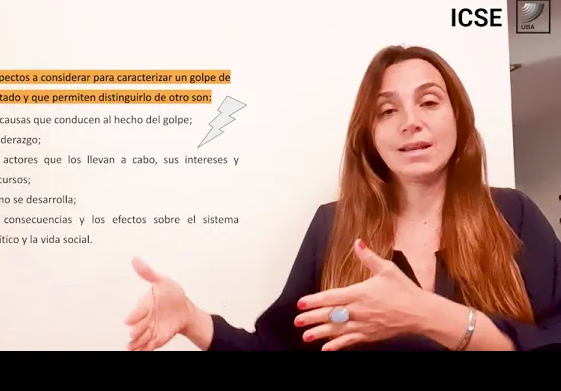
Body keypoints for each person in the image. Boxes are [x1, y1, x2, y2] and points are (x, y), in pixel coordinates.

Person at [124, 44, 561, 351]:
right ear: (370, 136)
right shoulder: (333, 227)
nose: (410, 121)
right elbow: (277, 348)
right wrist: (193, 319)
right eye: (387, 110)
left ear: (458, 117)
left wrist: (429, 316)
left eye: (429, 102)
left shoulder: (513, 215)